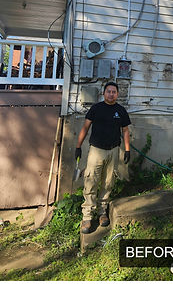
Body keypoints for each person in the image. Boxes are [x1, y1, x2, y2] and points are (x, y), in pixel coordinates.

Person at [75, 81, 131, 234]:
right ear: (104, 93)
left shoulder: (121, 111)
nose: (111, 94)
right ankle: (87, 216)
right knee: (91, 180)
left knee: (108, 182)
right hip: (96, 151)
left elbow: (125, 131)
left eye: (114, 92)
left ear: (117, 94)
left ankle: (102, 212)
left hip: (113, 151)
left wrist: (127, 150)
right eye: (108, 91)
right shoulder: (96, 108)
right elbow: (85, 127)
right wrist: (78, 146)